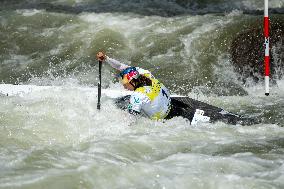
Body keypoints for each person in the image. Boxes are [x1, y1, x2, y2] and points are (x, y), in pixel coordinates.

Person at [96, 52, 171, 120]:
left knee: (121, 102)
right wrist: (106, 58)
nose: (124, 87)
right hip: (168, 106)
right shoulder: (145, 73)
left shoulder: (137, 96)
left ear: (133, 82)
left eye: (125, 84)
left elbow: (130, 121)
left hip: (158, 120)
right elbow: (120, 66)